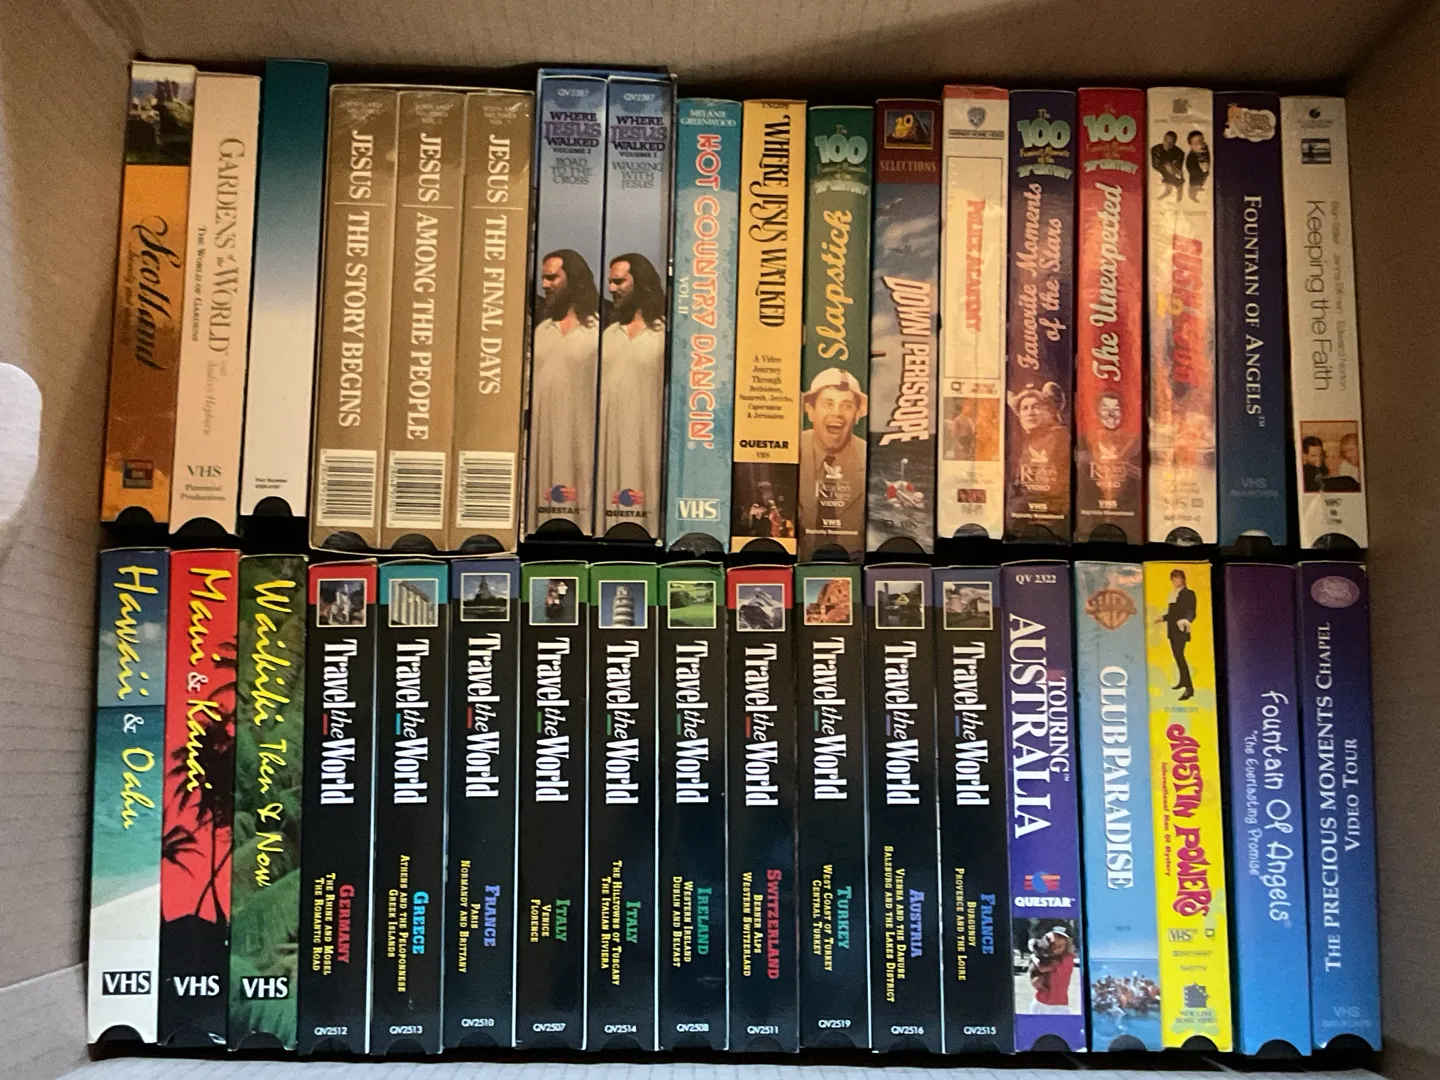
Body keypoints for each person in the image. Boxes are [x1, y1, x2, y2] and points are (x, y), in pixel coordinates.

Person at [527, 249, 600, 527]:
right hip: (542, 443)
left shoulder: (597, 331)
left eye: (552, 278)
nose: (544, 285)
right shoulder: (541, 330)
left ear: (573, 278)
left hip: (582, 444)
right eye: (543, 278)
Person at [595, 252, 667, 533]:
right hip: (609, 446)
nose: (611, 288)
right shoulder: (608, 335)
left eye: (619, 281)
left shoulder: (663, 335)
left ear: (641, 282)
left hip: (649, 446)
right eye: (610, 282)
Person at [798, 367, 868, 542]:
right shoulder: (791, 450)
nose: (837, 413)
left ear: (857, 415)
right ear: (810, 411)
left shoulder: (870, 458)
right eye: (828, 404)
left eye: (847, 406)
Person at [1009, 383, 1068, 499]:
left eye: (1036, 407)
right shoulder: (1024, 443)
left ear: (1049, 412)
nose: (1030, 413)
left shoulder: (1060, 438)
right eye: (1024, 408)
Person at [1157, 568, 1197, 699]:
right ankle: (1183, 681)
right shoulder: (1173, 593)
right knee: (1177, 657)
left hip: (1181, 630)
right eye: (1173, 579)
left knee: (1180, 656)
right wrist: (1163, 618)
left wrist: (1186, 620)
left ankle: (1189, 688)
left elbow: (1191, 612)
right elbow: (1173, 614)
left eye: (1177, 578)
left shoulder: (1189, 593)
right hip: (1172, 630)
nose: (1175, 581)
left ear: (1183, 579)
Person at [1028, 927, 1077, 1014]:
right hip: (1040, 1002)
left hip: (1058, 1005)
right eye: (1053, 945)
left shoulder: (1067, 959)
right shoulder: (1050, 953)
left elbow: (1042, 968)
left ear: (1066, 945)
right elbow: (1035, 943)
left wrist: (1033, 957)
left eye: (1060, 946)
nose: (1056, 949)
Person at [1150, 131, 1184, 201]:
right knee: (1169, 188)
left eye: (1170, 143)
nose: (1167, 145)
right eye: (1166, 141)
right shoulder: (1155, 149)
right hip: (1162, 171)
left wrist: (1174, 168)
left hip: (1173, 172)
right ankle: (1166, 193)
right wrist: (1166, 164)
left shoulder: (1179, 153)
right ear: (1163, 139)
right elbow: (1155, 165)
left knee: (1179, 187)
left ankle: (1178, 200)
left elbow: (1178, 168)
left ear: (1174, 143)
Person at [1184, 129, 1210, 200]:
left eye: (1201, 141)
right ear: (1190, 145)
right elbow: (1192, 169)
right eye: (1195, 143)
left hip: (1203, 171)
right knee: (1194, 184)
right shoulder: (1192, 157)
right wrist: (1202, 171)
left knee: (1202, 181)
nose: (1199, 145)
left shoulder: (1205, 148)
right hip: (1195, 174)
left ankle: (1199, 186)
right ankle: (1192, 196)